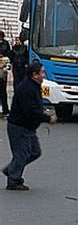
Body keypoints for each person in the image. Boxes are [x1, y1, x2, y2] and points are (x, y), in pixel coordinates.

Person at [2, 62, 58, 190]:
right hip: (19, 126)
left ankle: (11, 169)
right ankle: (14, 180)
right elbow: (30, 111)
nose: (44, 75)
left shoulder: (34, 85)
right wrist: (48, 118)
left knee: (35, 152)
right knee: (22, 154)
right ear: (35, 74)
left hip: (29, 127)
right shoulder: (26, 89)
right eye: (42, 72)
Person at [0, 30, 11, 116]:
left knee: (3, 90)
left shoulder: (5, 43)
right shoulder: (5, 44)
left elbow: (8, 54)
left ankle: (5, 110)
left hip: (2, 68)